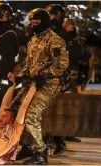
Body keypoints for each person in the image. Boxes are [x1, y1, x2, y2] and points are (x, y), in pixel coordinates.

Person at [16, 8, 69, 164]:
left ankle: (40, 152)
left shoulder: (55, 40)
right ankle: (27, 146)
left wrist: (44, 74)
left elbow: (62, 64)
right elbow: (29, 63)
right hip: (34, 83)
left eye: (36, 22)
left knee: (31, 114)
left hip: (50, 83)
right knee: (21, 110)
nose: (33, 25)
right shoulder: (33, 40)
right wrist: (21, 75)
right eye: (31, 22)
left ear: (44, 22)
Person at [0, 0, 19, 127]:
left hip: (4, 81)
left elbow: (8, 60)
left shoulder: (9, 36)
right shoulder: (1, 35)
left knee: (1, 110)